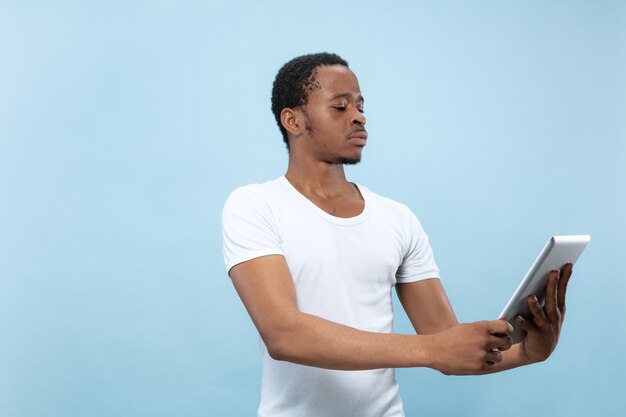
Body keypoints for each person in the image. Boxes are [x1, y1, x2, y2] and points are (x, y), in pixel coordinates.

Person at [221, 52, 573, 417]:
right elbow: (284, 334)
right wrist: (431, 349)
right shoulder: (254, 205)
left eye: (360, 105)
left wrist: (529, 352)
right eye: (339, 107)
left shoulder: (397, 218)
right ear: (293, 120)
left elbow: (448, 346)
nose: (358, 116)